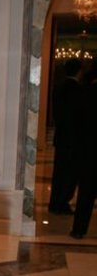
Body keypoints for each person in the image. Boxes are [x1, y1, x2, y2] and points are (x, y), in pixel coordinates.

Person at [48, 57, 85, 215]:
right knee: (70, 173)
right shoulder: (79, 90)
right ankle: (62, 202)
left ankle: (55, 201)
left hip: (61, 137)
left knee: (59, 172)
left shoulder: (58, 88)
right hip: (74, 139)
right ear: (79, 72)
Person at [70, 63, 97, 239]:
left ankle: (79, 230)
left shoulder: (84, 93)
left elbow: (76, 124)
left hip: (87, 151)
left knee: (85, 193)